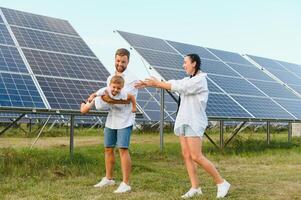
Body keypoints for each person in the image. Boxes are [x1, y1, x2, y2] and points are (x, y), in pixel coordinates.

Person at [135, 54, 230, 198]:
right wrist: (151, 83)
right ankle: (195, 187)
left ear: (194, 63)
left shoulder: (200, 80)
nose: (183, 65)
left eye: (185, 62)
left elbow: (181, 87)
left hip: (194, 121)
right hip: (184, 121)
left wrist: (157, 84)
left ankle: (221, 182)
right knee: (186, 155)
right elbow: (175, 82)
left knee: (196, 156)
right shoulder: (188, 79)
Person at [87, 48, 138, 193]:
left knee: (123, 149)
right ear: (115, 60)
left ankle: (125, 183)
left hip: (125, 119)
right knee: (108, 148)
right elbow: (107, 95)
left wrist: (107, 99)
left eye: (123, 61)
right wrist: (102, 99)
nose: (120, 64)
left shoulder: (132, 79)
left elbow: (126, 100)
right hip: (112, 119)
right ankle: (109, 178)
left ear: (128, 61)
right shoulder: (110, 78)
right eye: (118, 61)